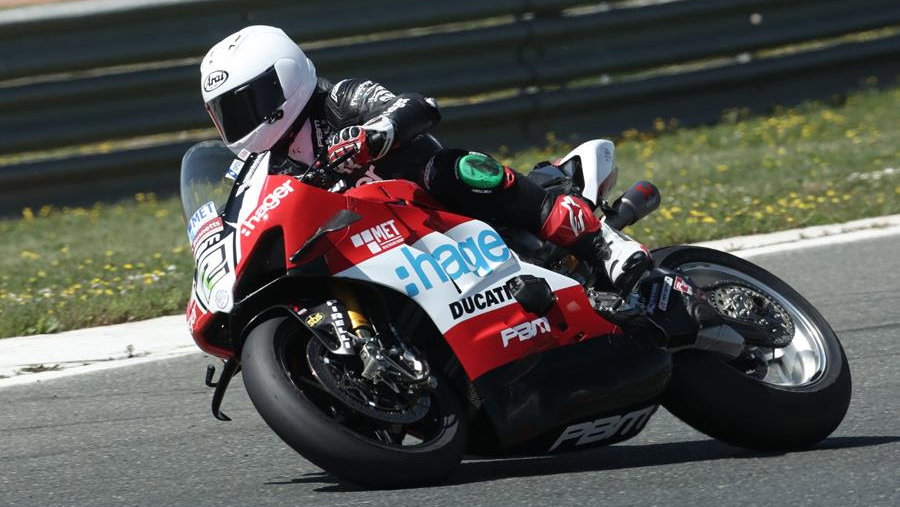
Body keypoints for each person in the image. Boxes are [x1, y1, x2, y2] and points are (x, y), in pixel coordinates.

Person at [200, 25, 651, 294]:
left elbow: (418, 106)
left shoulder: (339, 100)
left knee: (451, 169)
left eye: (245, 104)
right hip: (383, 243)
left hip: (444, 209)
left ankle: (603, 245)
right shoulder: (269, 168)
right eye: (227, 114)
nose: (238, 122)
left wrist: (375, 134)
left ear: (283, 81)